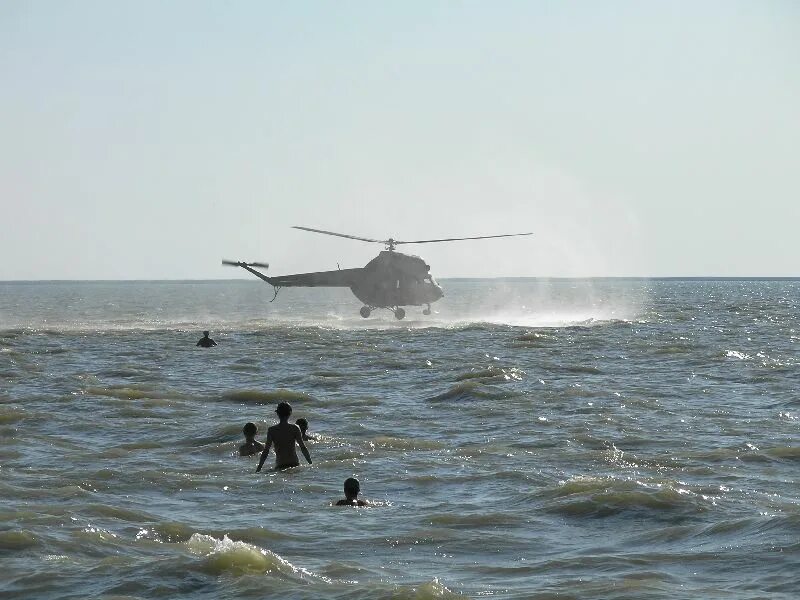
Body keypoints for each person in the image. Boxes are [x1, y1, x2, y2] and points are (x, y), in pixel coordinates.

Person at [256, 402, 312, 471]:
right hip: (294, 463)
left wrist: (259, 467)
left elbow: (266, 451)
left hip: (280, 464)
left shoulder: (272, 430)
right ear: (290, 413)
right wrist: (310, 463)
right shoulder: (295, 428)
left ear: (277, 414)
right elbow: (303, 447)